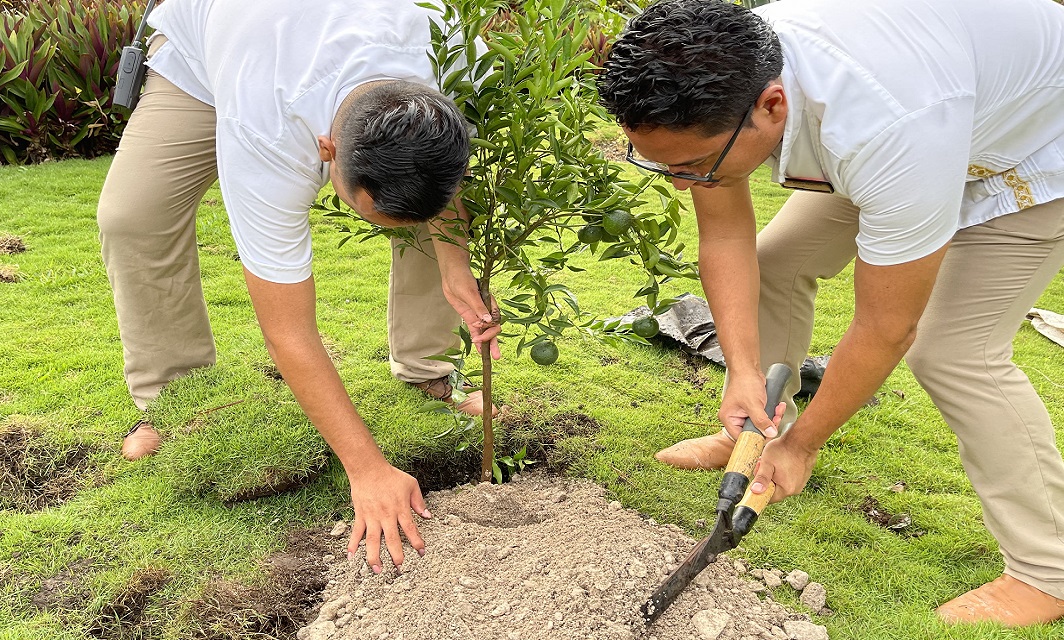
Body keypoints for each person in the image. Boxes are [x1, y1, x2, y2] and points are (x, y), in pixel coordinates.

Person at [599, 0, 1064, 626]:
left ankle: (1047, 572)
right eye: (661, 163)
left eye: (691, 166)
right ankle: (754, 434)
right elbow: (729, 240)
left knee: (955, 352)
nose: (681, 183)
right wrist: (743, 371)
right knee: (776, 262)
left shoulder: (887, 126)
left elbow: (885, 327)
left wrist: (807, 443)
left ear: (772, 105)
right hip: (937, 112)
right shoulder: (717, 82)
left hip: (1035, 144)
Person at [97, 0, 502, 574]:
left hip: (316, 44)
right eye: (373, 216)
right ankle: (174, 399)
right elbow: (287, 327)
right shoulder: (265, 125)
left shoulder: (457, 59)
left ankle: (426, 369)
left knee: (425, 209)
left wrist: (454, 264)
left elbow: (443, 178)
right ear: (326, 152)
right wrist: (366, 469)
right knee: (133, 216)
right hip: (208, 54)